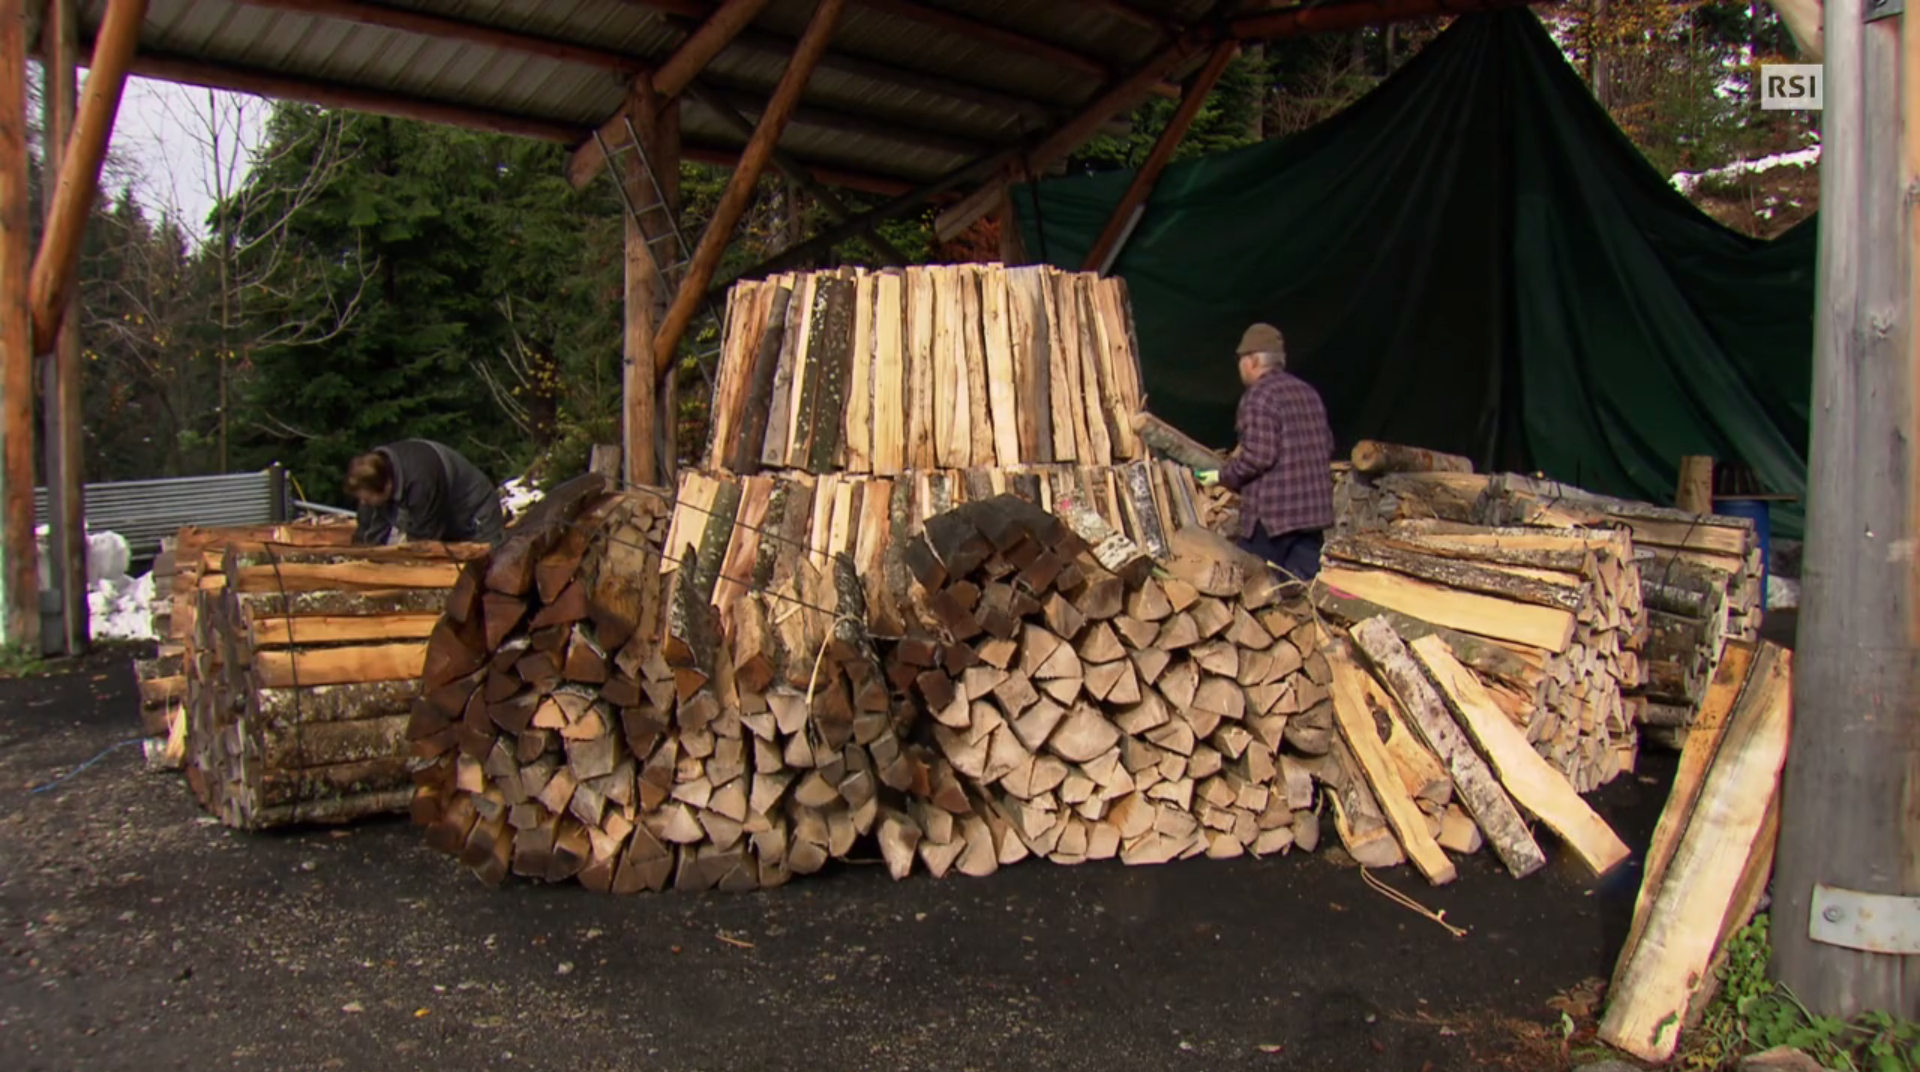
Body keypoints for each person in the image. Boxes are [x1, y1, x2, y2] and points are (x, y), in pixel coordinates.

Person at [1194, 323, 1334, 581]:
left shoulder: (1259, 396)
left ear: (1253, 361)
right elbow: (1326, 446)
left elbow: (1258, 457)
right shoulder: (1308, 393)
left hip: (1273, 521)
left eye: (1241, 360)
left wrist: (1217, 476)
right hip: (1312, 516)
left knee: (1255, 589)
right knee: (1305, 593)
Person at [345, 439, 506, 546]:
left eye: (367, 498)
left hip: (475, 513)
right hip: (444, 515)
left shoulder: (421, 483)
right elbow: (368, 532)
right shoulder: (376, 474)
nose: (364, 503)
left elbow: (423, 543)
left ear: (387, 486)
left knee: (488, 573)